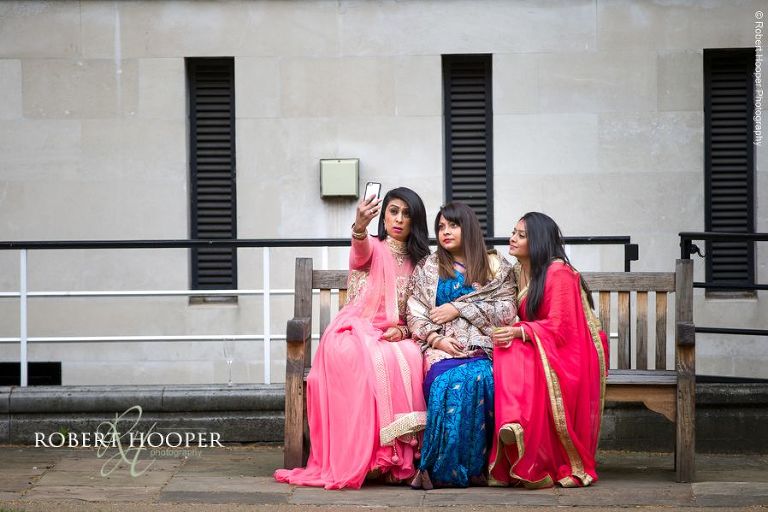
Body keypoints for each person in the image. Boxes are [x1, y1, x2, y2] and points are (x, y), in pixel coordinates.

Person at [274, 187, 431, 490]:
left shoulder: (420, 262)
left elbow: (419, 308)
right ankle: (371, 458)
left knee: (411, 354)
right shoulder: (373, 247)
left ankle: (397, 458)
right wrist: (360, 226)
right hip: (354, 329)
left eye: (407, 214)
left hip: (395, 333)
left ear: (415, 222)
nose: (399, 219)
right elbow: (360, 251)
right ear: (383, 215)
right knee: (368, 356)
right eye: (393, 211)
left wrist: (404, 330)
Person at [489, 212, 608, 488]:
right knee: (507, 348)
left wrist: (521, 331)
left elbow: (561, 327)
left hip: (575, 349)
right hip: (543, 343)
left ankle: (525, 441)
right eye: (514, 232)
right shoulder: (520, 272)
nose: (513, 238)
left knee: (513, 347)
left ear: (539, 240)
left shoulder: (559, 273)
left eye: (521, 234)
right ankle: (514, 429)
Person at [407, 202, 516, 489]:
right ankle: (439, 469)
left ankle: (473, 467)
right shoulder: (429, 267)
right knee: (446, 383)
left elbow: (506, 309)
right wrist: (437, 339)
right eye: (441, 227)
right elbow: (415, 311)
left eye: (452, 225)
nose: (445, 231)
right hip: (441, 348)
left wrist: (459, 307)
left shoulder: (495, 265)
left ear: (467, 227)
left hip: (483, 348)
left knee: (480, 378)